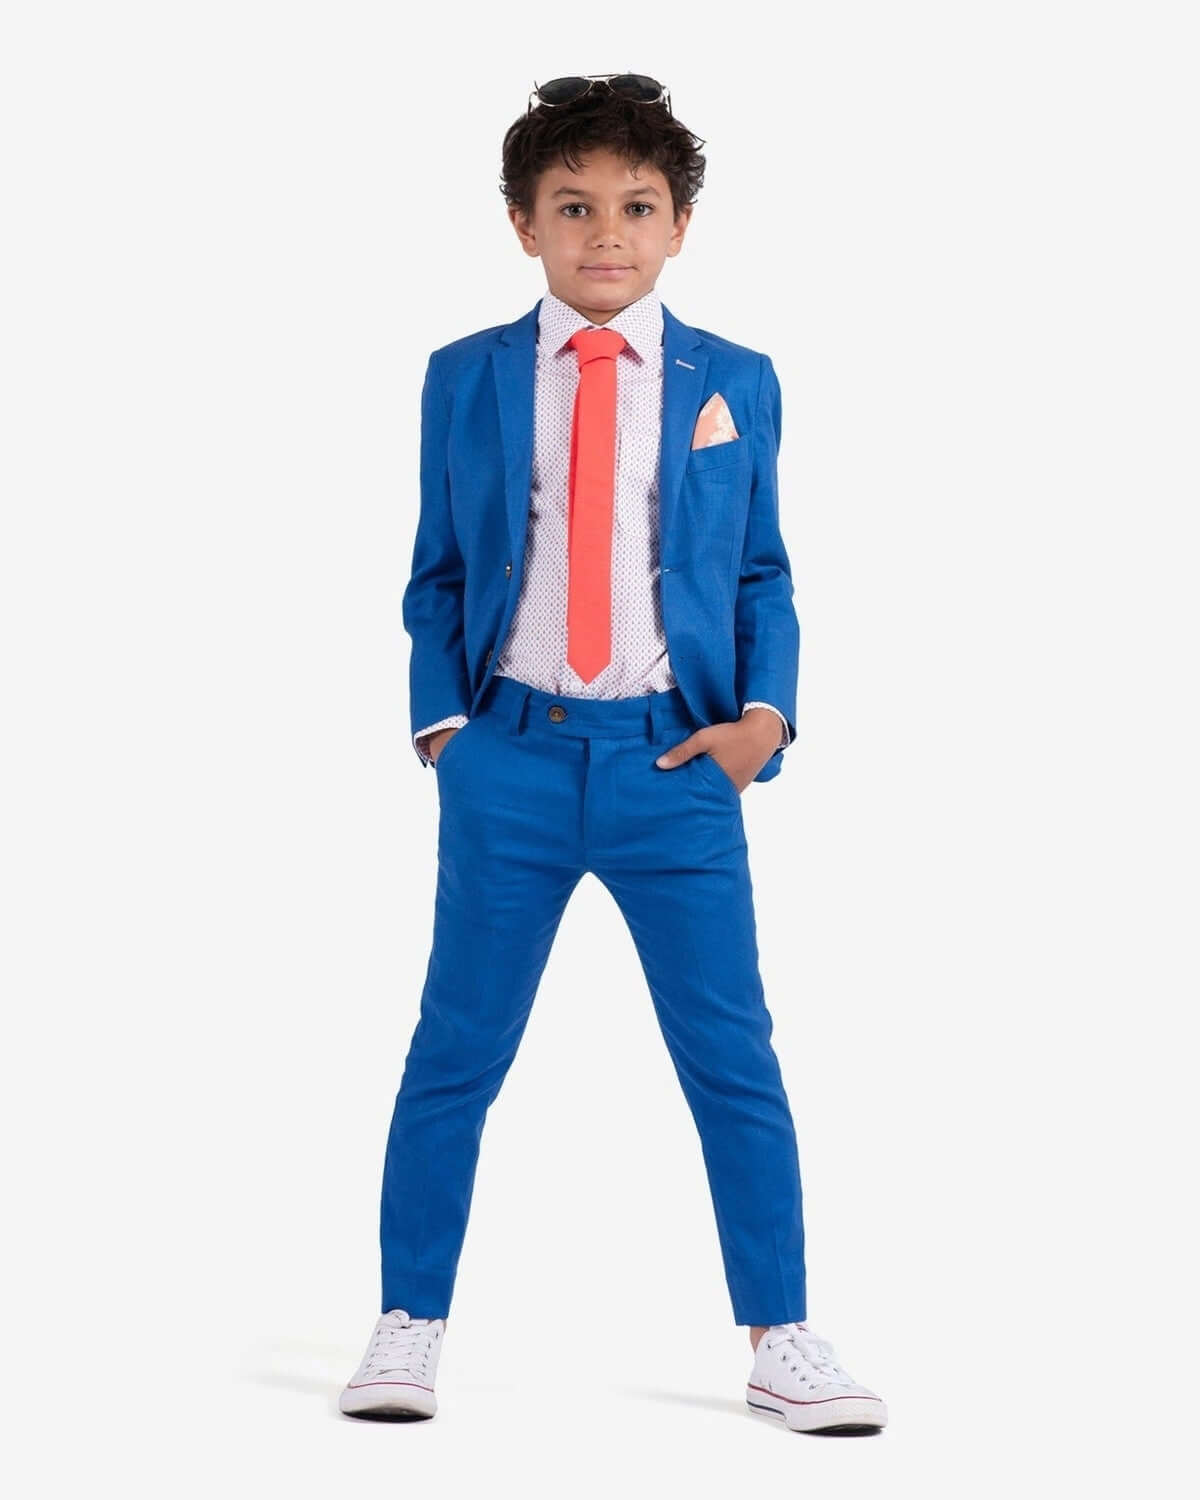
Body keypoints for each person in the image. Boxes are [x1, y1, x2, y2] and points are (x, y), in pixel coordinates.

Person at [340, 74, 887, 1435]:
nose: (606, 233)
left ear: (680, 226)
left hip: (675, 769)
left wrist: (763, 722)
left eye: (637, 207)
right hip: (511, 761)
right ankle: (408, 1322)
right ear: (523, 223)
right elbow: (438, 569)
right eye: (573, 206)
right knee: (457, 1046)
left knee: (732, 1055)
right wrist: (446, 731)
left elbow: (759, 571)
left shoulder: (733, 381)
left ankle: (781, 1334)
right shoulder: (466, 374)